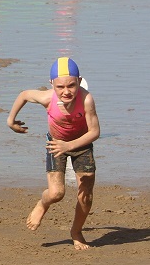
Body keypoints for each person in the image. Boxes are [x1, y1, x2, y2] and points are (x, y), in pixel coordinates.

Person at [7, 57, 100, 250]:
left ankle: (76, 231)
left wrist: (71, 146)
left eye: (72, 86)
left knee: (86, 194)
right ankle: (42, 204)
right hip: (56, 144)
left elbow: (94, 132)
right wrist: (11, 121)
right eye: (60, 87)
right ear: (52, 84)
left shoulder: (86, 99)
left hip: (81, 144)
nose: (66, 91)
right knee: (57, 193)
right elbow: (24, 95)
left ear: (79, 81)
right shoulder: (48, 98)